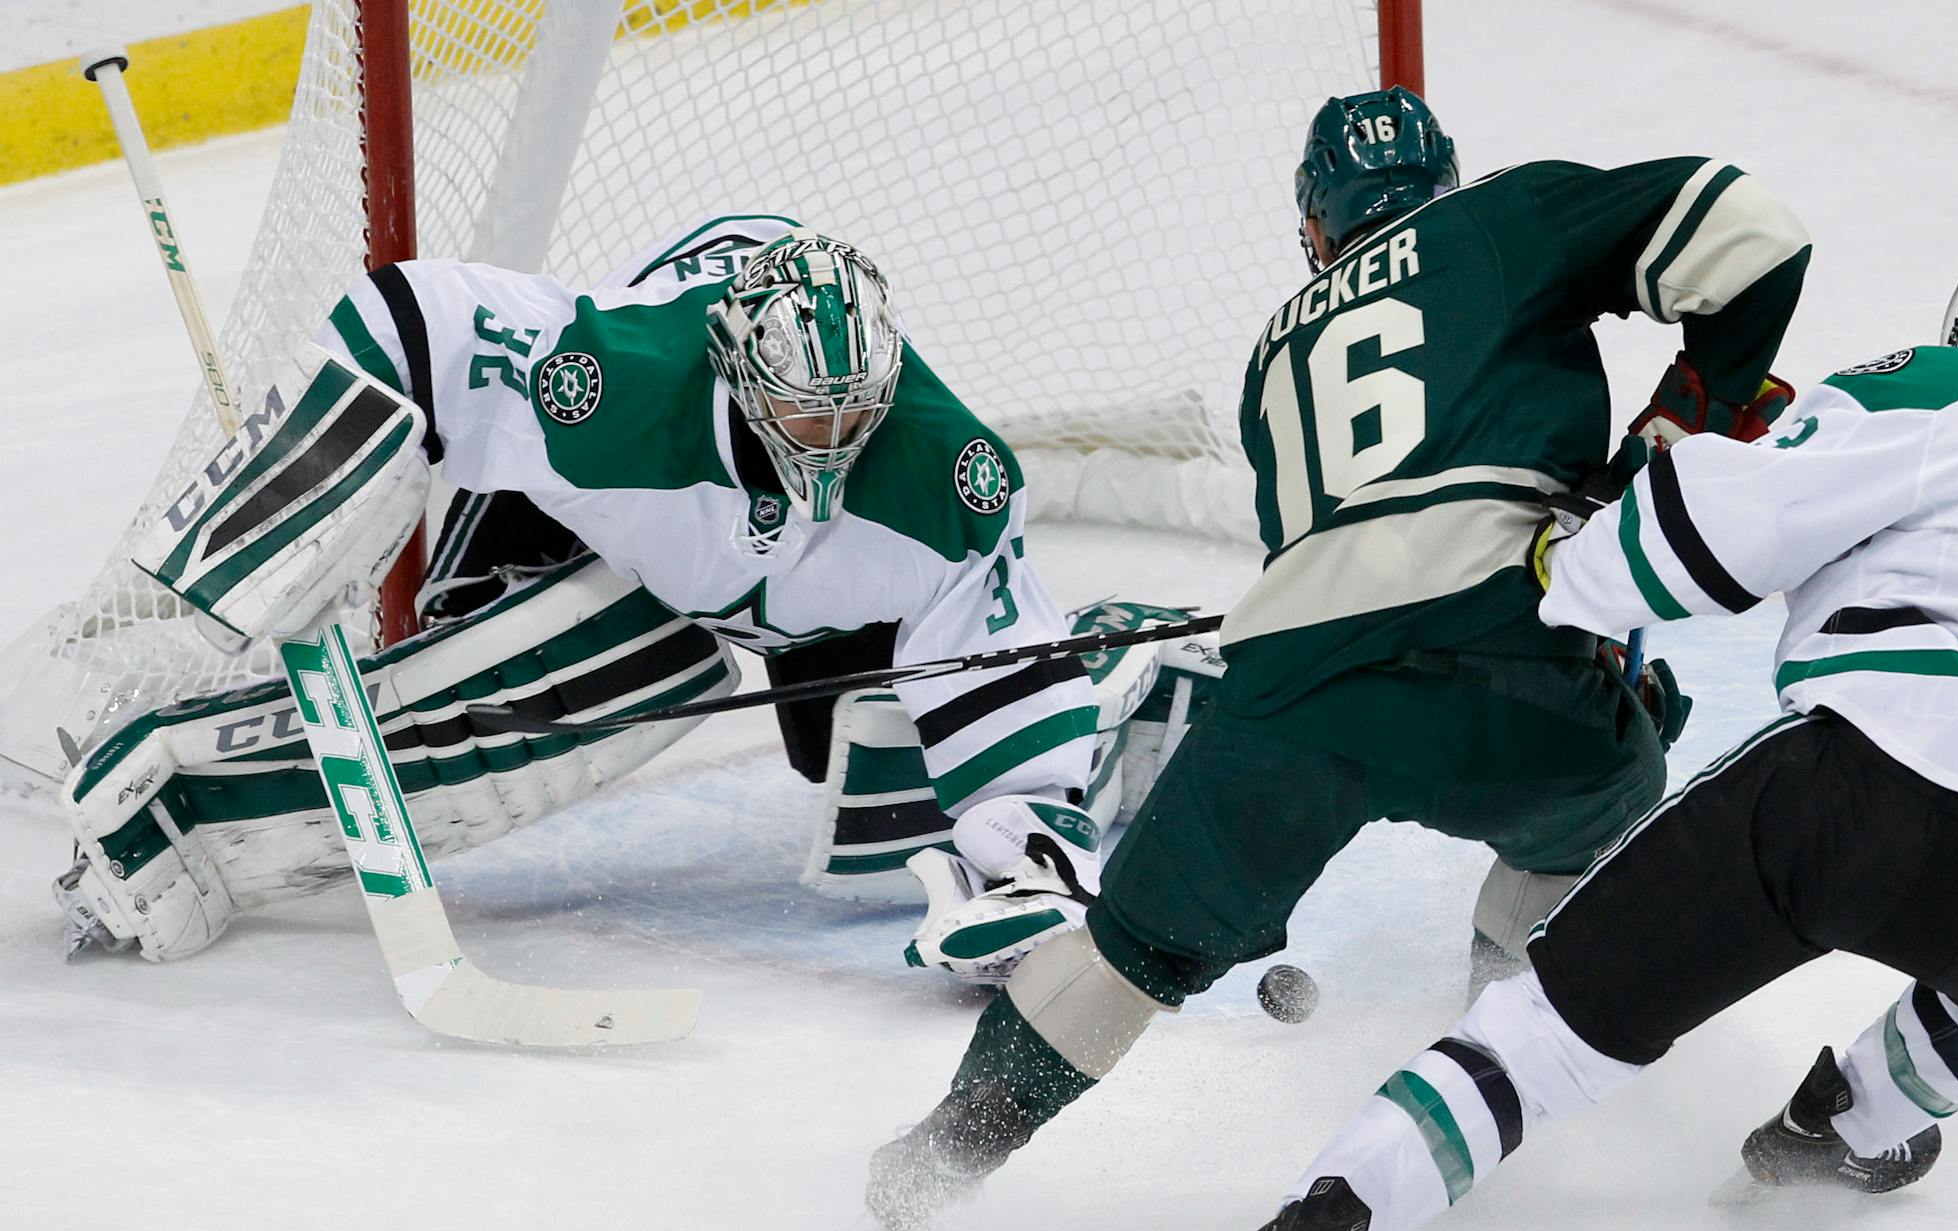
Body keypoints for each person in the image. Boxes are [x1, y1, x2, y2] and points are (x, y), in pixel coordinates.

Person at [862, 85, 1814, 1231]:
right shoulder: (1505, 217)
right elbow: (1755, 232)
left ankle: (929, 1169)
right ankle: (1482, 1082)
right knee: (1602, 799)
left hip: (1292, 687)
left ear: (1316, 224)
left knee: (1127, 953)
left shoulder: (1274, 355)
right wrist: (1680, 427)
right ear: (1443, 180)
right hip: (1504, 653)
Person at [1228, 228, 1958, 1231]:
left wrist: (1568, 567)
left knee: (1548, 1039)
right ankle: (1846, 1127)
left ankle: (1326, 1222)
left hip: (1846, 807)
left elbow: (1722, 528)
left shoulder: (1940, 389)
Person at [52, 219, 1159, 973]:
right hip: (624, 526)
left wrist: (1029, 857)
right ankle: (200, 814)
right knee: (569, 668)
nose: (828, 440)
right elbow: (411, 319)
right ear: (738, 369)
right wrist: (276, 499)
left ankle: (1114, 669)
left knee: (861, 771)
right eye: (801, 411)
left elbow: (991, 648)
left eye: (851, 412)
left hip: (815, 607)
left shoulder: (948, 474)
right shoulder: (607, 384)